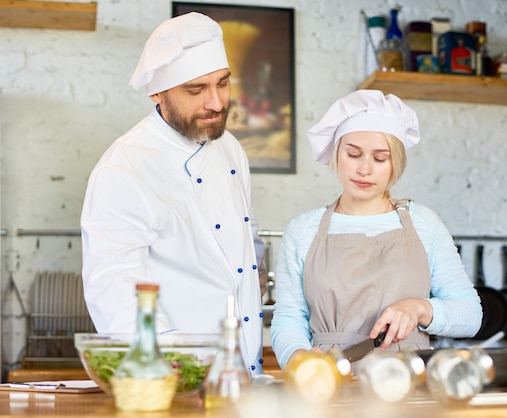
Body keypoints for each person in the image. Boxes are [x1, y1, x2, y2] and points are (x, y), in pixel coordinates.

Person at [81, 12, 266, 376]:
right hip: (179, 375)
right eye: (196, 90)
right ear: (157, 92)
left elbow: (246, 241)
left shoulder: (230, 149)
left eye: (223, 83)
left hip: (245, 368)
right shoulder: (125, 167)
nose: (215, 103)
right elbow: (115, 286)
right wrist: (170, 366)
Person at [270, 90, 482, 369]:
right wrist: (298, 358)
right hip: (330, 380)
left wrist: (419, 308)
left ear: (396, 163)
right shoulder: (303, 230)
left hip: (407, 384)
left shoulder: (424, 224)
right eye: (353, 154)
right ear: (336, 153)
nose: (364, 169)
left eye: (380, 158)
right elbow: (289, 317)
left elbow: (471, 315)